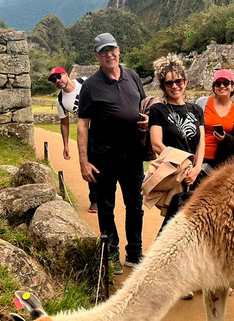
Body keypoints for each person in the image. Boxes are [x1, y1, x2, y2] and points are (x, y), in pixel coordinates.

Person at [77, 33, 148, 273]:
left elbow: (143, 107)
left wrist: (147, 123)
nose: (109, 54)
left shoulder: (133, 77)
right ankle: (111, 250)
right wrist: (84, 162)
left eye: (112, 49)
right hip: (103, 157)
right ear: (97, 56)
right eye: (103, 51)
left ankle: (135, 252)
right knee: (106, 206)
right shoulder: (90, 86)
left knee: (135, 205)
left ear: (119, 50)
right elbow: (82, 124)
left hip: (133, 155)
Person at [148, 54, 205, 229]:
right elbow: (157, 144)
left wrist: (196, 169)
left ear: (186, 82)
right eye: (169, 83)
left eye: (178, 81)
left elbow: (201, 142)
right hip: (175, 172)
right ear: (163, 86)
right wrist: (182, 166)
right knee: (173, 223)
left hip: (194, 175)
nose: (174, 86)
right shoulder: (158, 110)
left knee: (196, 223)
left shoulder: (195, 109)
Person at [48, 66, 97, 214]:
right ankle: (95, 200)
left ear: (66, 74)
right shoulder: (61, 100)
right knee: (90, 164)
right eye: (53, 80)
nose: (57, 81)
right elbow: (64, 123)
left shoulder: (85, 82)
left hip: (106, 125)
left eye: (58, 77)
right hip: (88, 133)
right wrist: (65, 145)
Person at [196, 69, 234, 167]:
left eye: (226, 83)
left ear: (232, 87)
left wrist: (226, 139)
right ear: (214, 87)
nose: (222, 86)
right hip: (200, 158)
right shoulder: (202, 103)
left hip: (224, 161)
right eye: (218, 83)